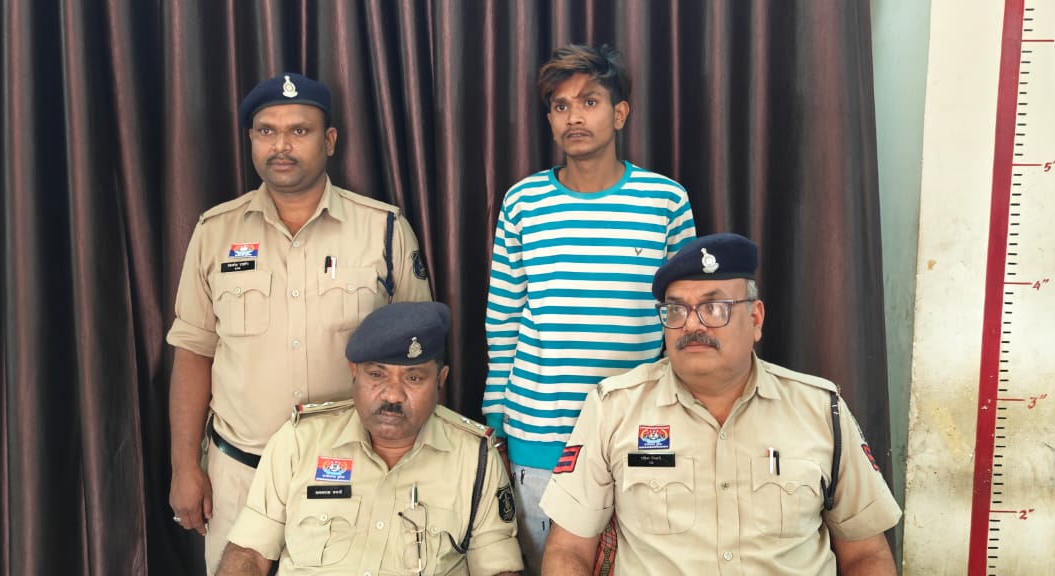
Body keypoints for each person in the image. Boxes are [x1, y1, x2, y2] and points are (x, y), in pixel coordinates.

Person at [166, 72, 433, 572]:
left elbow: (420, 358)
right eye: (266, 131)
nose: (281, 145)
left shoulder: (384, 229)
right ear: (251, 139)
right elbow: (193, 353)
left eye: (299, 130)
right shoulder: (214, 232)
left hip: (350, 474)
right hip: (240, 473)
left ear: (329, 141)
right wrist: (184, 465)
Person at [539, 233, 902, 575]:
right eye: (676, 310)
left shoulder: (820, 410)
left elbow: (866, 553)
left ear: (755, 319)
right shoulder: (614, 408)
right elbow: (569, 549)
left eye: (714, 308)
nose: (691, 325)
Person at [481, 44, 697, 573]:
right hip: (539, 434)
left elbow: (684, 316)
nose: (574, 116)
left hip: (638, 434)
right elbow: (504, 317)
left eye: (589, 101)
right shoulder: (522, 203)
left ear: (619, 113)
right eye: (560, 106)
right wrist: (497, 418)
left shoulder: (665, 200)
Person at [214, 301, 522, 575]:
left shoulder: (475, 458)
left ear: (440, 380)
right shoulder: (300, 442)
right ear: (354, 372)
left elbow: (498, 569)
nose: (392, 395)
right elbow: (249, 554)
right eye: (376, 375)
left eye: (413, 378)